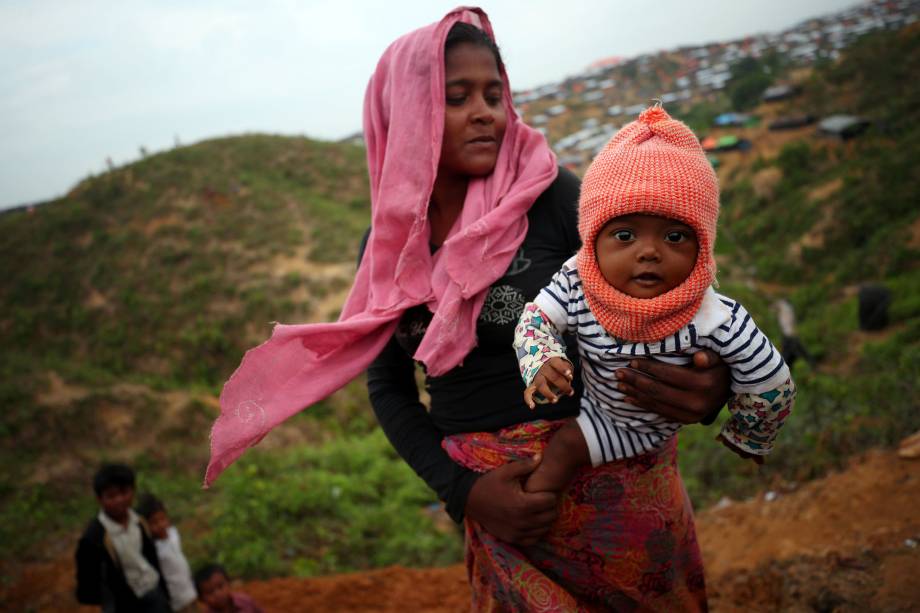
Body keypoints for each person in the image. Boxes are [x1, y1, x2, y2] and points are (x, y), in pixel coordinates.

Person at [205, 7, 731, 610]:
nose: (485, 111)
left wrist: (709, 379)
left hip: (616, 487)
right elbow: (391, 386)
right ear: (404, 114)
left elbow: (666, 298)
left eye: (493, 93)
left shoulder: (556, 198)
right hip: (501, 517)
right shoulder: (385, 251)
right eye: (457, 97)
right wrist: (465, 492)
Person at [513, 105, 796, 495]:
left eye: (675, 236)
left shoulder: (713, 317)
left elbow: (772, 380)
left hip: (642, 428)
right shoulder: (577, 280)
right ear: (592, 240)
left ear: (703, 246)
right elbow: (534, 319)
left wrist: (750, 432)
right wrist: (541, 358)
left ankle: (536, 516)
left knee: (562, 453)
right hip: (594, 404)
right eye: (625, 235)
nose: (649, 252)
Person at [75, 464, 171, 612]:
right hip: (125, 604)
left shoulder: (139, 522)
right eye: (111, 496)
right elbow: (87, 584)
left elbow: (151, 557)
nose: (119, 500)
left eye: (124, 492)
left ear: (133, 491)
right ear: (100, 499)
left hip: (153, 590)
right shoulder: (94, 537)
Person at [137, 494, 198, 613]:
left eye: (162, 519)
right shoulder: (154, 550)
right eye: (154, 523)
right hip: (176, 601)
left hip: (190, 591)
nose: (160, 525)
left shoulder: (173, 534)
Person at [194, 564, 263, 613]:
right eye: (210, 592)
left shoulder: (245, 601)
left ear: (228, 583)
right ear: (201, 599)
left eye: (220, 586)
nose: (218, 594)